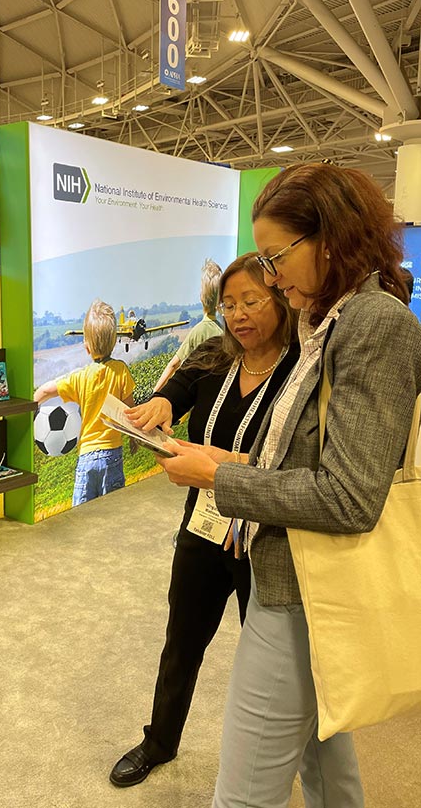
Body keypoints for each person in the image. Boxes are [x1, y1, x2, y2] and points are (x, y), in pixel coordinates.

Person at [156, 163, 421, 808]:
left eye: (277, 258)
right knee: (325, 764)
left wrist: (221, 476)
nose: (269, 280)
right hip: (295, 575)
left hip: (306, 588)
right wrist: (227, 462)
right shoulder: (325, 323)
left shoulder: (372, 324)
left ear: (329, 239)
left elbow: (348, 497)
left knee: (244, 793)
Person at [109, 253, 299, 787]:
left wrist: (223, 464)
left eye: (251, 301)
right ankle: (159, 742)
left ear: (281, 301)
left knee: (267, 652)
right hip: (205, 524)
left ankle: (277, 759)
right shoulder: (218, 355)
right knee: (182, 639)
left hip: (264, 536)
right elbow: (178, 388)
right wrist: (162, 406)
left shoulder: (299, 367)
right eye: (229, 304)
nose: (238, 315)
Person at [34, 299, 135, 506]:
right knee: (114, 513)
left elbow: (44, 390)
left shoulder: (79, 377)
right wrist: (135, 439)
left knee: (80, 517)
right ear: (115, 341)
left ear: (87, 347)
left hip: (87, 456)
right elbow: (130, 413)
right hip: (112, 455)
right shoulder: (121, 371)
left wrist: (30, 409)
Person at [153, 258, 223, 392]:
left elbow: (173, 365)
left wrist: (154, 394)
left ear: (201, 297)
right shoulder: (222, 331)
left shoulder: (198, 331)